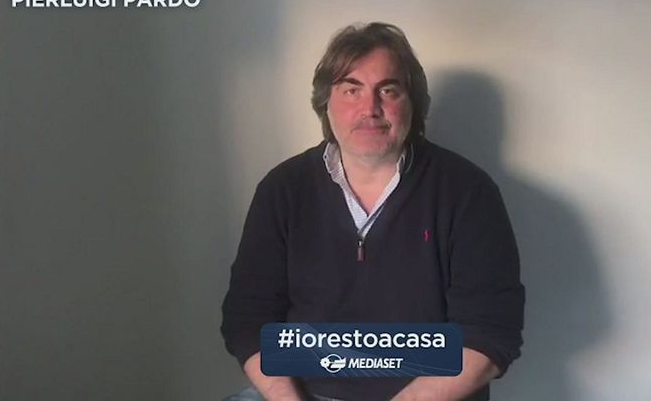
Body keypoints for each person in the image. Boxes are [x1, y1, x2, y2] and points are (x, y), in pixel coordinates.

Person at [221, 22, 524, 401]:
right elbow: (248, 319)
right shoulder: (282, 189)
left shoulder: (468, 192)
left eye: (388, 90)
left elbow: (490, 333)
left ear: (413, 103)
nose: (370, 109)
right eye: (352, 90)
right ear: (326, 103)